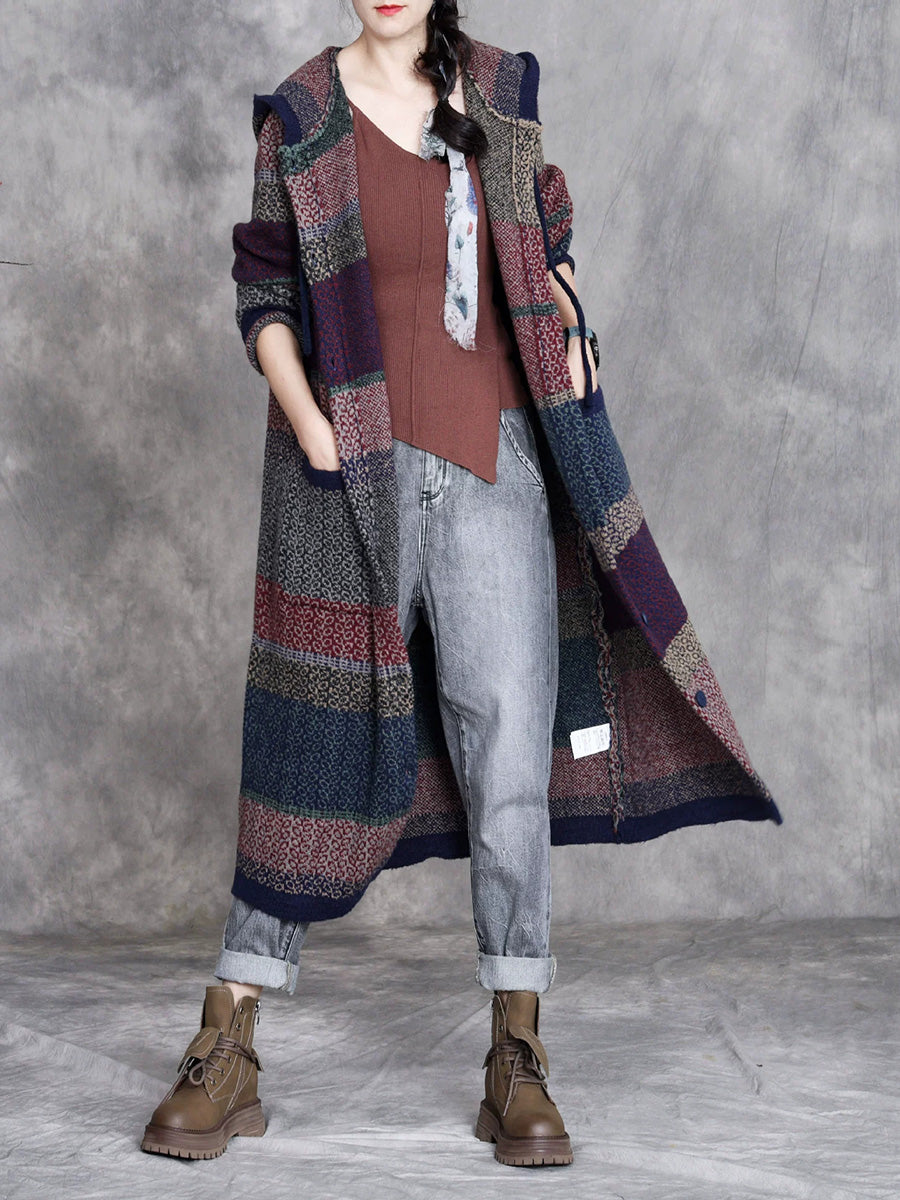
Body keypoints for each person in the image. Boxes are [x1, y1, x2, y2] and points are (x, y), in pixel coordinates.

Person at [141, 0, 781, 1170]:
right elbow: (265, 292)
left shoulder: (499, 91)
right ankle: (227, 1042)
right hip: (351, 481)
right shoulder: (304, 113)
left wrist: (573, 323)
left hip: (497, 472)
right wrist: (315, 428)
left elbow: (543, 243)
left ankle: (516, 1054)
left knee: (509, 766)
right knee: (303, 750)